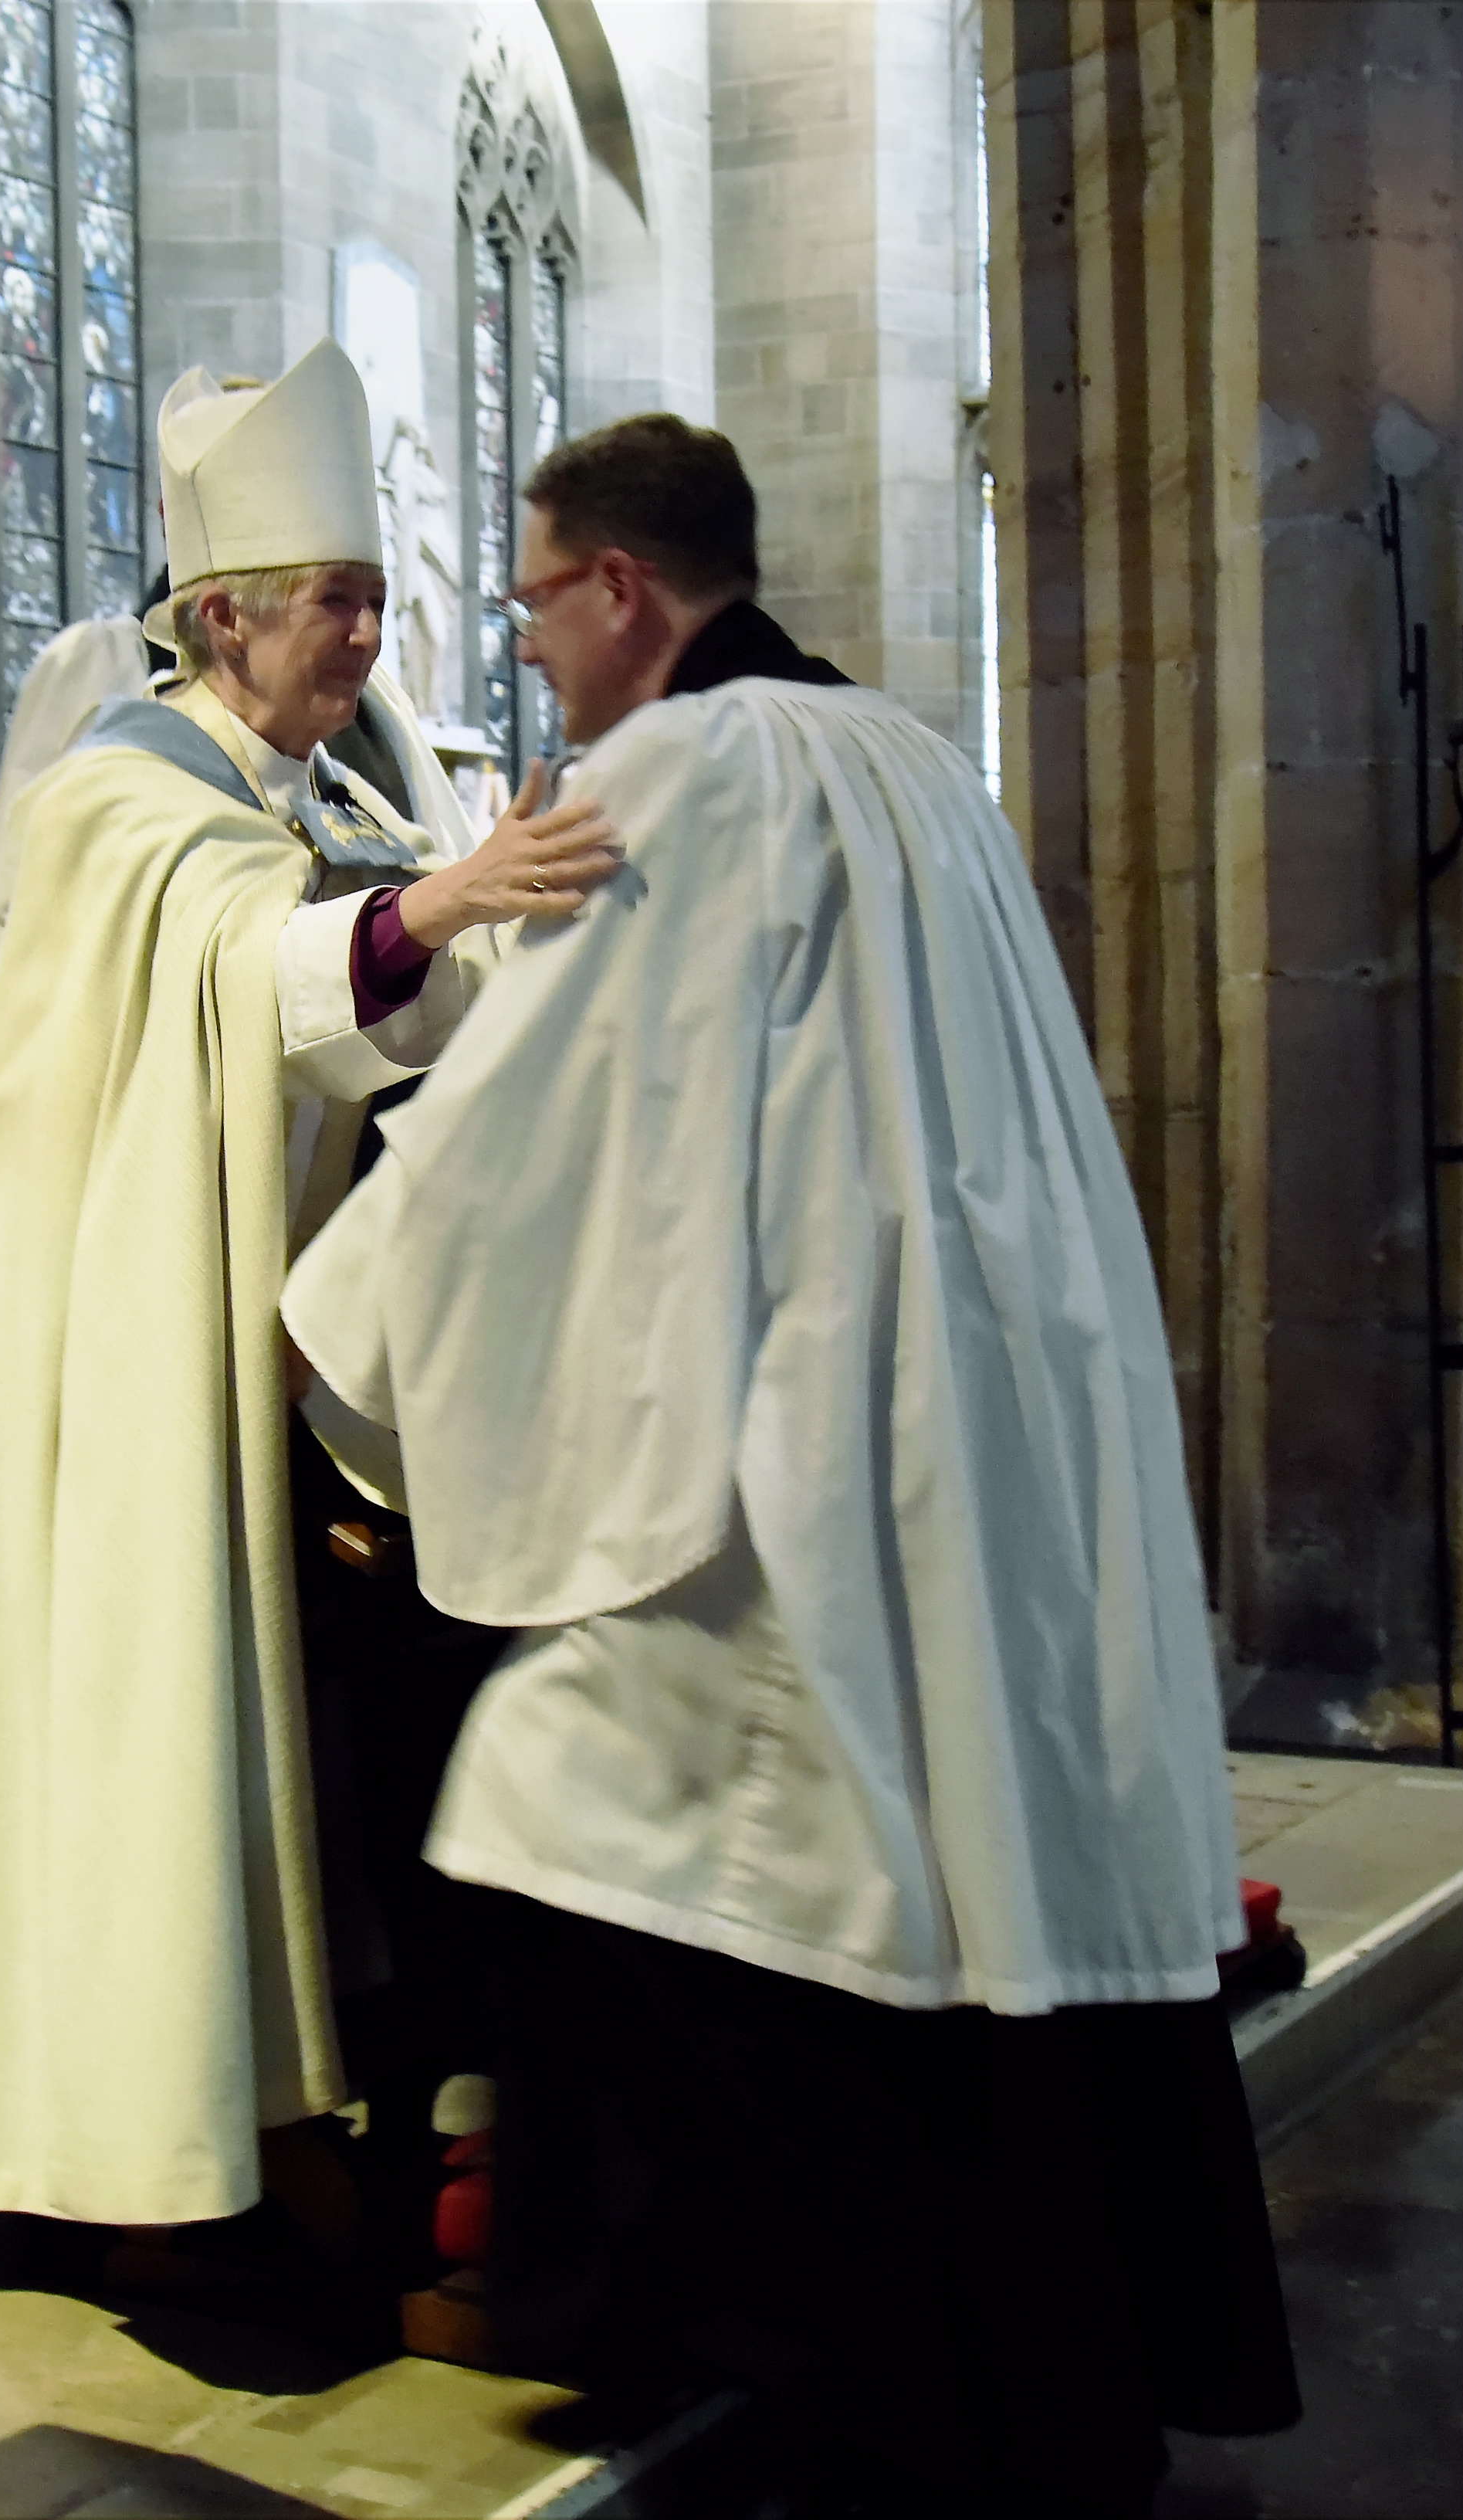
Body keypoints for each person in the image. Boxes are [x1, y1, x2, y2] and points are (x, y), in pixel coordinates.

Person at [279, 414, 1299, 2507]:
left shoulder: (676, 772)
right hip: (987, 1389)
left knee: (592, 1792)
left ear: (625, 591)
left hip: (808, 1420)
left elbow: (560, 1129)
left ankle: (779, 2361)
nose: (534, 651)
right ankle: (1014, 2351)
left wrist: (337, 1301)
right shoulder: (913, 753)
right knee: (961, 1830)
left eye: (538, 602)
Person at [0, 338, 625, 2250]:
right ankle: (125, 2121)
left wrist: (531, 933)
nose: (366, 633)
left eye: (374, 598)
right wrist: (440, 907)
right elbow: (249, 970)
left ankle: (347, 2075)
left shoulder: (320, 790)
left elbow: (393, 983)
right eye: (335, 602)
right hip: (131, 1365)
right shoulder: (113, 798)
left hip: (293, 1342)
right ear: (225, 614)